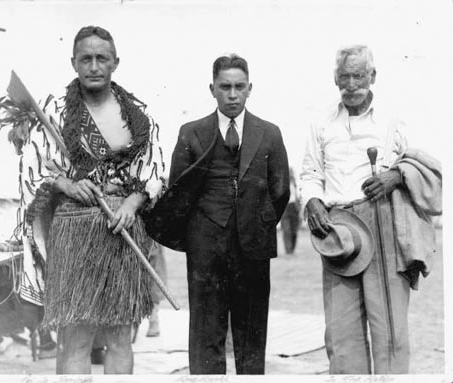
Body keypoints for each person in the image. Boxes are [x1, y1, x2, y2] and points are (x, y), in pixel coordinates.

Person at [0, 25, 165, 374]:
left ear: (116, 62)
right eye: (86, 59)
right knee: (75, 335)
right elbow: (32, 166)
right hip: (73, 229)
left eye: (102, 58)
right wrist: (66, 185)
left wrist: (132, 204)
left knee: (119, 335)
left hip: (122, 229)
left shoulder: (138, 115)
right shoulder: (54, 111)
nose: (94, 66)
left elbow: (155, 172)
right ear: (74, 63)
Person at [300, 44, 442, 374]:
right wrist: (313, 201)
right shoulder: (321, 124)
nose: (351, 84)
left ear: (373, 76)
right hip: (339, 232)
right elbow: (310, 174)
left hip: (385, 227)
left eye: (358, 76)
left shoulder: (394, 120)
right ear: (335, 79)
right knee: (341, 331)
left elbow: (424, 165)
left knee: (390, 327)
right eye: (344, 77)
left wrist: (395, 175)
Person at [145, 54, 290, 374]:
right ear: (212, 89)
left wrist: (254, 225)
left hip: (252, 250)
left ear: (250, 88)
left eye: (240, 87)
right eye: (225, 87)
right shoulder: (191, 133)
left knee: (252, 336)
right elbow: (178, 195)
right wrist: (200, 236)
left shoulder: (269, 133)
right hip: (205, 253)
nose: (233, 94)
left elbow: (280, 193)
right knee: (205, 334)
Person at [279, 168, 301, 254]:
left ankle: (292, 249)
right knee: (286, 230)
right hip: (285, 207)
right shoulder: (282, 183)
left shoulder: (295, 184)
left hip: (294, 208)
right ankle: (288, 250)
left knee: (294, 230)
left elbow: (297, 197)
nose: (291, 174)